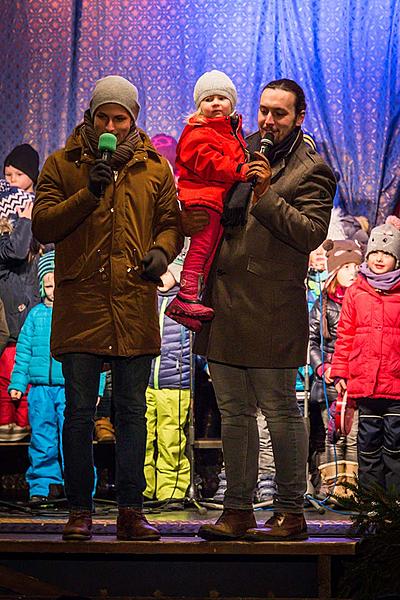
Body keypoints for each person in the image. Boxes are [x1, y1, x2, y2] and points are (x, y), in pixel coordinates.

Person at [32, 75, 183, 541]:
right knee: (79, 411)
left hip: (133, 301)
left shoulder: (155, 168)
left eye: (120, 118)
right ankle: (79, 511)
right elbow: (43, 225)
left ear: (133, 119)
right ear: (91, 116)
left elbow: (171, 222)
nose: (111, 125)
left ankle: (130, 512)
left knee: (131, 410)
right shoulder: (62, 164)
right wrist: (88, 193)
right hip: (82, 304)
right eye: (104, 117)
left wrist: (162, 249)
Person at [193, 78, 336, 541]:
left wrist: (267, 192)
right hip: (225, 305)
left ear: (299, 116)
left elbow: (310, 233)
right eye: (264, 111)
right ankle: (237, 511)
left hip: (273, 310)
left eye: (279, 113)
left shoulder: (312, 169)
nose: (269, 120)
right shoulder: (241, 149)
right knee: (234, 413)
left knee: (279, 411)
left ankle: (291, 512)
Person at [165, 70, 251, 327]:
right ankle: (186, 295)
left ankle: (193, 301)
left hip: (218, 199)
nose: (215, 103)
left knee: (211, 250)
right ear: (199, 106)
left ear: (232, 104)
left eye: (221, 98)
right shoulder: (198, 131)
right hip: (203, 198)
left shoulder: (231, 131)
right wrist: (239, 171)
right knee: (201, 247)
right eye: (208, 99)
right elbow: (208, 162)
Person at [331, 222, 400, 493]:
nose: (379, 258)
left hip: (395, 387)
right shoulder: (356, 292)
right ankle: (370, 507)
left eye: (387, 253)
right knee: (368, 448)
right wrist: (340, 372)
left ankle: (394, 511)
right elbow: (345, 335)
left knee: (395, 449)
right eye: (375, 252)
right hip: (366, 385)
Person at [309, 239, 362, 499]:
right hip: (330, 382)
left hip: (357, 381)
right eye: (347, 266)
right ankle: (331, 489)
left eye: (356, 266)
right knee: (332, 435)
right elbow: (312, 341)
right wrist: (323, 368)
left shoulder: (364, 299)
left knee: (353, 437)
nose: (353, 271)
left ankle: (352, 490)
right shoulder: (323, 303)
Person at [144, 247, 191, 501]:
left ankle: (170, 491)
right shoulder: (147, 298)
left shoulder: (185, 302)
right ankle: (143, 488)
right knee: (144, 436)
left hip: (176, 381)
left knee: (171, 439)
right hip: (147, 379)